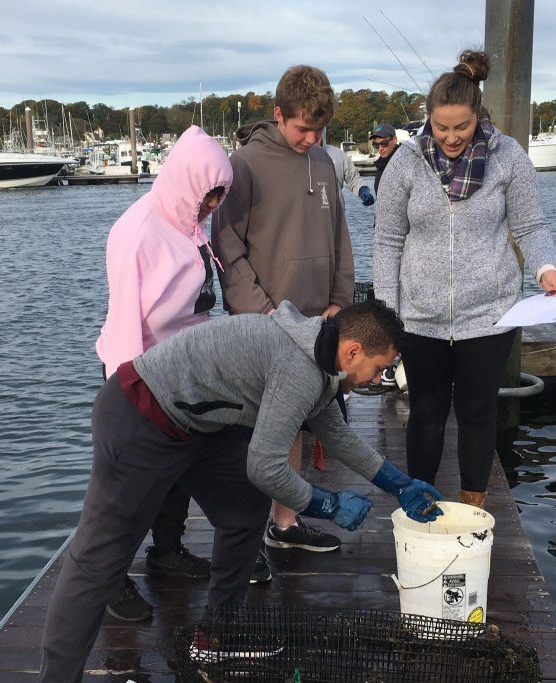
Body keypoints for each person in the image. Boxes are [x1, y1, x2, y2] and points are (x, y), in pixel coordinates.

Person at [39, 299, 442, 681]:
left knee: (245, 508)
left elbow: (335, 433)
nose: (377, 379)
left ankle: (218, 635)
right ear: (353, 351)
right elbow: (265, 467)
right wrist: (327, 504)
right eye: (378, 368)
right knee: (98, 560)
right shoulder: (299, 368)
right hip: (139, 416)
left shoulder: (321, 352)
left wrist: (398, 483)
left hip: (197, 428)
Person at [373, 50, 556, 510]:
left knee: (478, 413)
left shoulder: (509, 158)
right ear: (429, 119)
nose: (450, 137)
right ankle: (419, 502)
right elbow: (386, 243)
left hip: (488, 315)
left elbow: (530, 227)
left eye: (461, 127)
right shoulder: (404, 163)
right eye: (441, 127)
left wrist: (546, 269)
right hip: (419, 318)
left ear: (478, 116)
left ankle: (473, 504)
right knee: (425, 414)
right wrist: (387, 314)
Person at [213, 65, 355, 573]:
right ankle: (243, 542)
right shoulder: (244, 165)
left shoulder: (324, 160)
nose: (311, 139)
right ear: (277, 115)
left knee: (293, 423)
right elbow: (226, 248)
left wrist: (340, 299)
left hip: (317, 321)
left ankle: (285, 526)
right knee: (251, 436)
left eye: (319, 131)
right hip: (262, 324)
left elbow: (339, 235)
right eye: (301, 129)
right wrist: (263, 310)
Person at [94, 125, 232, 621]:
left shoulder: (188, 223)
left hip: (182, 374)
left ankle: (167, 551)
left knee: (177, 475)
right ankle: (107, 580)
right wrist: (127, 393)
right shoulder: (137, 231)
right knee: (130, 487)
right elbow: (128, 318)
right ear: (186, 182)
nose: (213, 206)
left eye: (219, 197)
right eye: (208, 195)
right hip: (137, 374)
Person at [323, 142, 375, 206]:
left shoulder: (338, 154)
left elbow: (354, 180)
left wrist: (363, 190)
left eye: (318, 131)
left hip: (336, 212)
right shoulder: (306, 154)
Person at [369, 123, 400, 193]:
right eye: (376, 145)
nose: (380, 149)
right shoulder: (380, 165)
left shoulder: (405, 162)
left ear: (394, 140)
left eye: (384, 143)